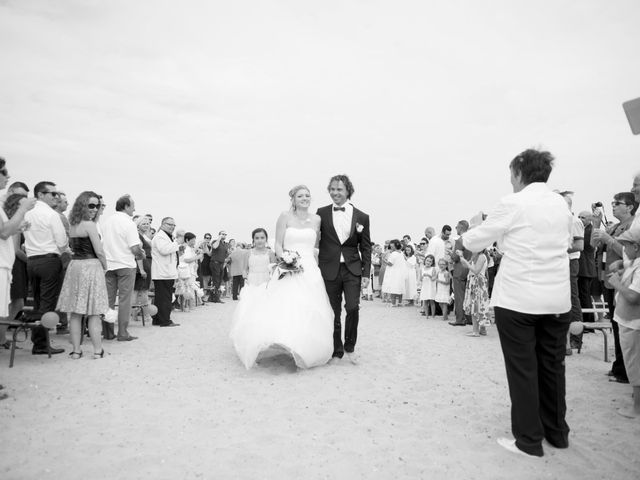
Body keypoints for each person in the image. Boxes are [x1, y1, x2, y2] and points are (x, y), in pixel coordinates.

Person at [461, 148, 572, 458]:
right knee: (552, 367)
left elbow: (473, 241)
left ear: (520, 173)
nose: (510, 180)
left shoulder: (513, 202)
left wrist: (475, 226)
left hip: (520, 297)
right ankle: (557, 433)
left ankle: (528, 440)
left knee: (523, 369)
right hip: (557, 298)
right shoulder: (560, 203)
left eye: (511, 173)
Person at [230, 186, 334, 369]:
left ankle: (303, 346)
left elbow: (317, 244)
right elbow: (278, 244)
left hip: (310, 267)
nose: (304, 198)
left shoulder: (317, 219)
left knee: (309, 306)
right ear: (293, 199)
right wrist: (285, 259)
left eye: (307, 195)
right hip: (289, 266)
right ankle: (283, 341)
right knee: (285, 303)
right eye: (300, 196)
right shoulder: (284, 216)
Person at [317, 175, 372, 364]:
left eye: (339, 189)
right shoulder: (321, 213)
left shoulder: (362, 217)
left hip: (352, 269)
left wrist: (366, 273)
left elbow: (366, 247)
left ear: (348, 190)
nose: (335, 193)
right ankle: (336, 350)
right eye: (332, 189)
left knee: (352, 307)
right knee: (333, 311)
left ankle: (350, 347)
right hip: (328, 268)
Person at [592, 192, 637, 383]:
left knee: (623, 327)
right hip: (609, 280)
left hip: (624, 280)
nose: (613, 206)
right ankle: (620, 366)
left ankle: (625, 371)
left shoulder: (633, 227)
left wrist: (609, 239)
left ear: (629, 207)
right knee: (616, 325)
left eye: (618, 203)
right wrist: (596, 223)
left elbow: (628, 253)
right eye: (612, 203)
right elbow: (593, 244)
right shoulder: (615, 227)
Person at [56, 191, 108, 359]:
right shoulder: (89, 225)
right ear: (82, 205)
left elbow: (65, 246)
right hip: (91, 266)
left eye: (97, 206)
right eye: (91, 205)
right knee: (93, 312)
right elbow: (99, 250)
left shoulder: (72, 224)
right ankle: (97, 350)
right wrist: (105, 266)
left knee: (76, 313)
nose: (95, 209)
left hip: (75, 266)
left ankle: (76, 351)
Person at [24, 181, 68, 355]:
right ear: (40, 195)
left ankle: (38, 341)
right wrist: (63, 248)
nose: (56, 197)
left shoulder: (27, 213)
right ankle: (42, 344)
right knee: (47, 303)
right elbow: (62, 241)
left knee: (37, 301)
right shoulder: (51, 215)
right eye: (52, 193)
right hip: (49, 259)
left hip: (32, 260)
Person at [0, 164, 36, 350]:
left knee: (13, 303)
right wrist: (30, 261)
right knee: (14, 303)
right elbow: (10, 243)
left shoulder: (10, 217)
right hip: (11, 265)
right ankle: (0, 338)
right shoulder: (11, 215)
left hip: (11, 264)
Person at [101, 195, 144, 341]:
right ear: (126, 206)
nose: (134, 209)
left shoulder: (107, 221)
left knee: (108, 300)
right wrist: (141, 255)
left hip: (109, 264)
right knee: (125, 300)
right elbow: (134, 247)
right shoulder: (128, 223)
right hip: (125, 264)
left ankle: (107, 332)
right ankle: (123, 333)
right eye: (132, 206)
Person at [607, 231, 640, 418]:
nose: (624, 250)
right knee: (632, 363)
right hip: (628, 321)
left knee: (635, 365)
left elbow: (634, 296)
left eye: (626, 246)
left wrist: (617, 284)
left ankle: (637, 408)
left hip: (633, 322)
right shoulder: (635, 262)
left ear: (635, 247)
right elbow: (627, 263)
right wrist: (621, 266)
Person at [151, 217, 180, 327]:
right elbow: (164, 250)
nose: (172, 227)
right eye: (169, 224)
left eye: (173, 225)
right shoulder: (160, 237)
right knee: (165, 298)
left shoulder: (167, 236)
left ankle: (158, 319)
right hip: (162, 272)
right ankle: (165, 321)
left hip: (165, 272)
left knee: (161, 298)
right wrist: (177, 243)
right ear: (162, 224)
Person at [457, 249, 491, 337]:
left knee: (476, 305)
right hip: (474, 281)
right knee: (479, 305)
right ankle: (482, 329)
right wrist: (461, 256)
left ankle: (475, 331)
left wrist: (465, 261)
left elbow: (476, 270)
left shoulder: (481, 256)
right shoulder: (475, 256)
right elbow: (465, 265)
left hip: (477, 282)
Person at [449, 220, 472, 327]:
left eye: (457, 227)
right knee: (468, 295)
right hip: (469, 269)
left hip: (459, 270)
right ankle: (469, 318)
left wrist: (451, 254)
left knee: (459, 296)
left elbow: (455, 257)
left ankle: (460, 319)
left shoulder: (460, 240)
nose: (456, 228)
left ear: (461, 227)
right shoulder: (471, 239)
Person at [133, 216, 153, 323]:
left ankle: (134, 315)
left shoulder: (143, 236)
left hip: (144, 264)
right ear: (138, 225)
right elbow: (138, 253)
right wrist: (141, 269)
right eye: (143, 223)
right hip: (142, 265)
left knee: (137, 291)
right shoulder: (138, 236)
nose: (146, 225)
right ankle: (146, 315)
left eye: (147, 223)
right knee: (142, 291)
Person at [381, 239, 404, 307]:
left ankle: (393, 303)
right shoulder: (401, 253)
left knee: (392, 287)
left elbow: (390, 263)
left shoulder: (393, 254)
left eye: (392, 246)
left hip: (393, 272)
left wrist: (384, 260)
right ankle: (399, 302)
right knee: (399, 287)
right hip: (400, 272)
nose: (391, 247)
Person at [209, 230, 228, 303]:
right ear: (219, 234)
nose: (224, 235)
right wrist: (219, 238)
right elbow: (214, 246)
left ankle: (212, 297)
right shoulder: (215, 241)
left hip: (221, 264)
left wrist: (224, 264)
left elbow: (226, 255)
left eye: (225, 234)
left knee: (219, 280)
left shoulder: (225, 244)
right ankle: (216, 298)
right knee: (216, 280)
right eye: (223, 234)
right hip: (215, 263)